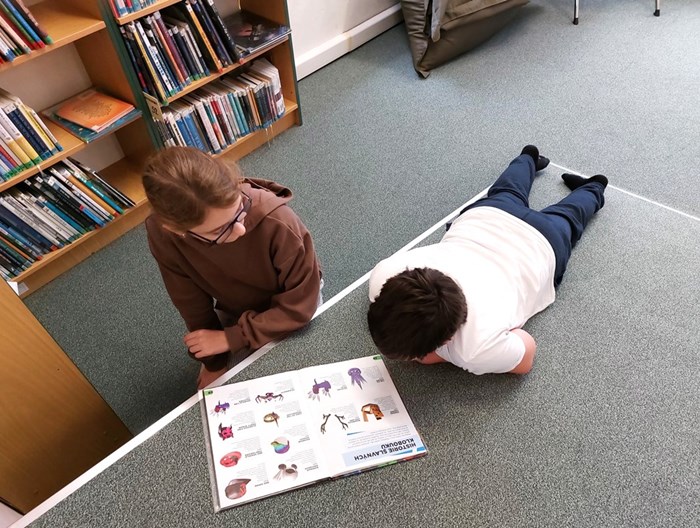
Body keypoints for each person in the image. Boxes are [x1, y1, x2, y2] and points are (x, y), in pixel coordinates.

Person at [367, 145, 607, 375]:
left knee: (569, 216)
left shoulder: (475, 350)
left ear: (447, 340)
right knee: (507, 191)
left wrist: (439, 358)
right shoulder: (383, 274)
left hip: (540, 245)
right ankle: (529, 157)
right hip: (486, 217)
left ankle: (595, 186)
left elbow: (527, 354)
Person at [143, 147, 322, 388]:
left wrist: (232, 338)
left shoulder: (278, 221)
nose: (240, 229)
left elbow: (301, 305)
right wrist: (214, 363)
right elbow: (191, 304)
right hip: (236, 308)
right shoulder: (163, 235)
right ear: (176, 230)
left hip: (294, 302)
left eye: (240, 209)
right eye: (219, 230)